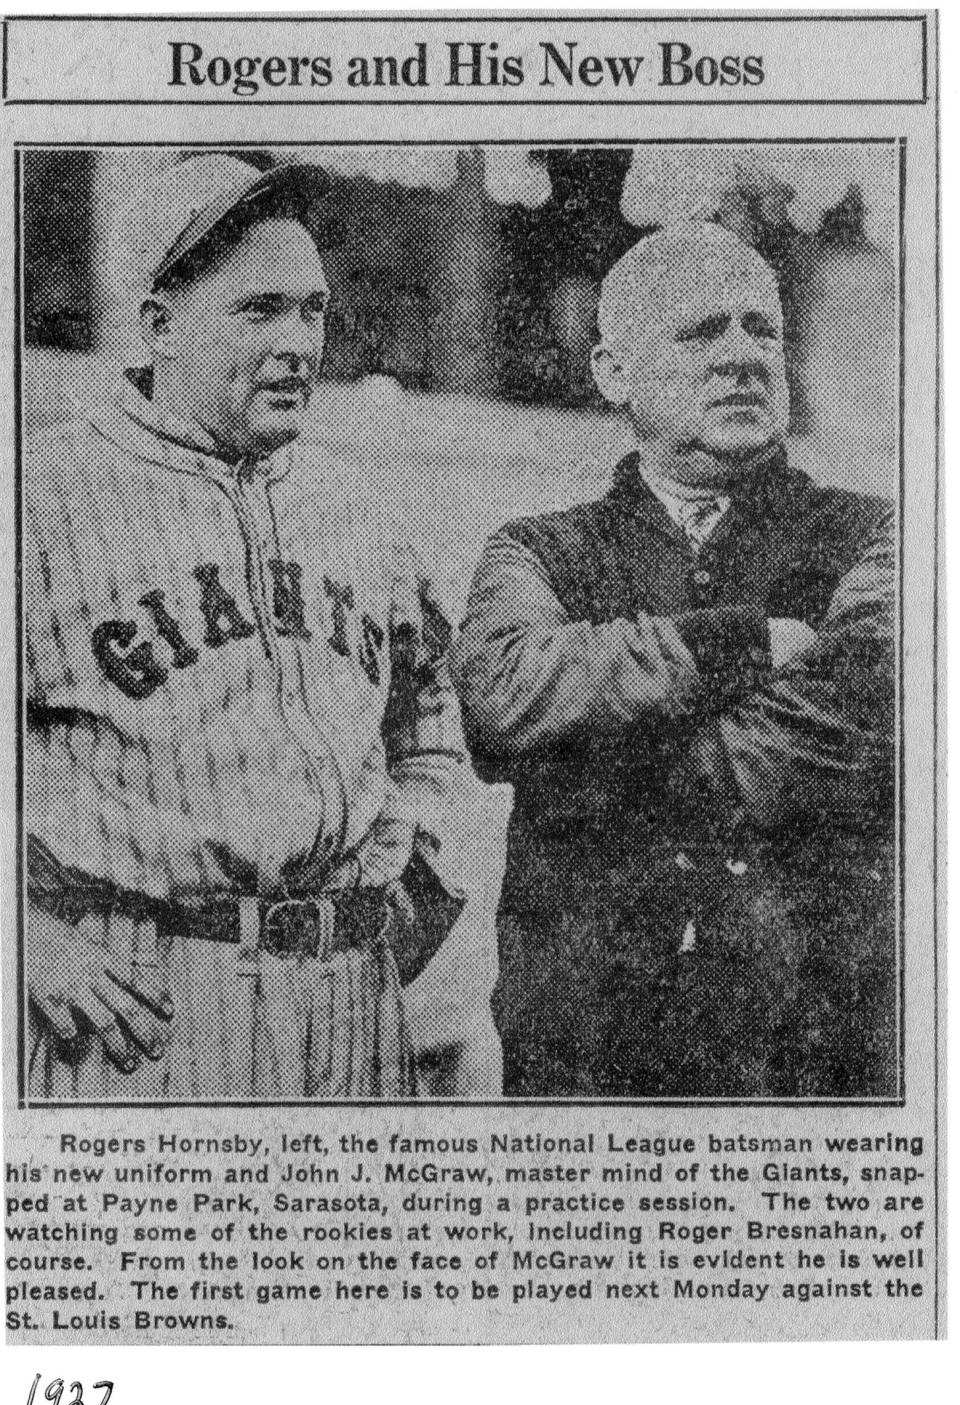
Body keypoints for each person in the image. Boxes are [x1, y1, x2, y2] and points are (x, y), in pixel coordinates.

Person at [25, 152, 494, 1099]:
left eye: (312, 310)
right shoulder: (42, 492)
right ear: (160, 327)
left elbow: (430, 715)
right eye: (260, 310)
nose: (299, 344)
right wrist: (22, 936)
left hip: (354, 992)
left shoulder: (355, 503)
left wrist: (412, 844)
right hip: (146, 995)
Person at [450, 221, 895, 1100]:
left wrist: (587, 761)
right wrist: (745, 644)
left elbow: (864, 711)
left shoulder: (880, 534)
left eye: (760, 328)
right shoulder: (537, 550)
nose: (742, 356)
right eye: (701, 332)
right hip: (584, 1063)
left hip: (809, 1064)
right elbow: (504, 696)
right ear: (614, 372)